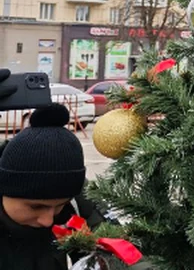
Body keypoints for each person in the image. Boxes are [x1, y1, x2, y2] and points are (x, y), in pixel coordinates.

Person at [0, 103, 142, 269]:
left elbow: (125, 249)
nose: (48, 221)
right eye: (36, 207)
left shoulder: (78, 201)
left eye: (60, 206)